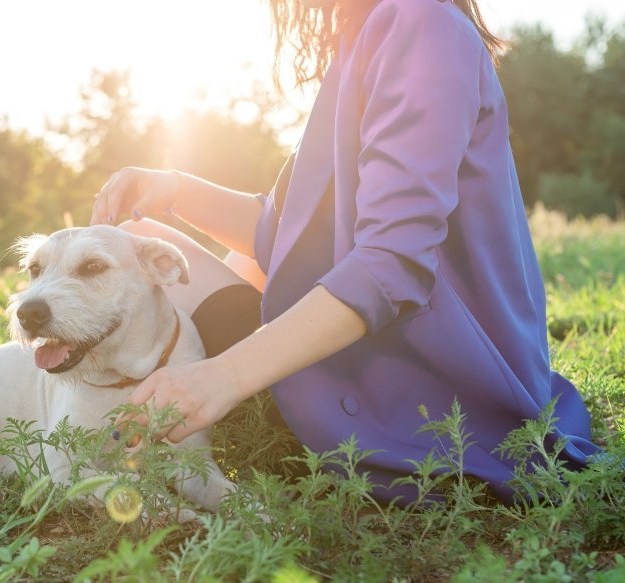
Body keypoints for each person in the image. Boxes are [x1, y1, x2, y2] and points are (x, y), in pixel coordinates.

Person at [89, 0, 600, 502]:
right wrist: (175, 189)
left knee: (129, 262)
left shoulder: (420, 24)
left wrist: (220, 377)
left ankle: (88, 429)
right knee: (146, 240)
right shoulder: (368, 34)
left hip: (414, 395)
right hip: (381, 360)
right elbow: (282, 238)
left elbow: (390, 264)